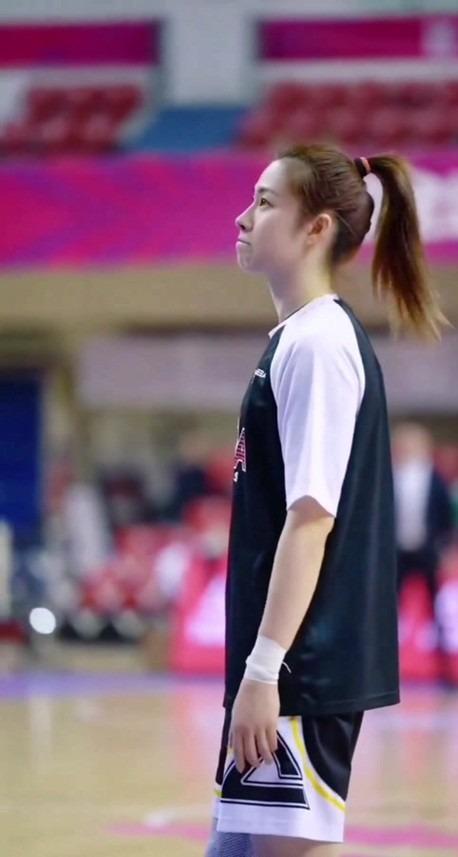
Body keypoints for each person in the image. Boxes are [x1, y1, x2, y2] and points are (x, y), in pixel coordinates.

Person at [205, 145, 446, 857]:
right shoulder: (297, 340)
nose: (243, 217)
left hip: (298, 672)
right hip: (282, 668)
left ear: (316, 228)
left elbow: (310, 521)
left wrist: (263, 671)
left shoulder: (319, 345)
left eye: (265, 202)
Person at [393, 422, 454, 665]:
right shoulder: (391, 476)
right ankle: (390, 656)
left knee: (434, 604)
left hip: (427, 550)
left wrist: (444, 548)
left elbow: (444, 516)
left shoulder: (435, 478)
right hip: (398, 551)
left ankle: (443, 661)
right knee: (392, 604)